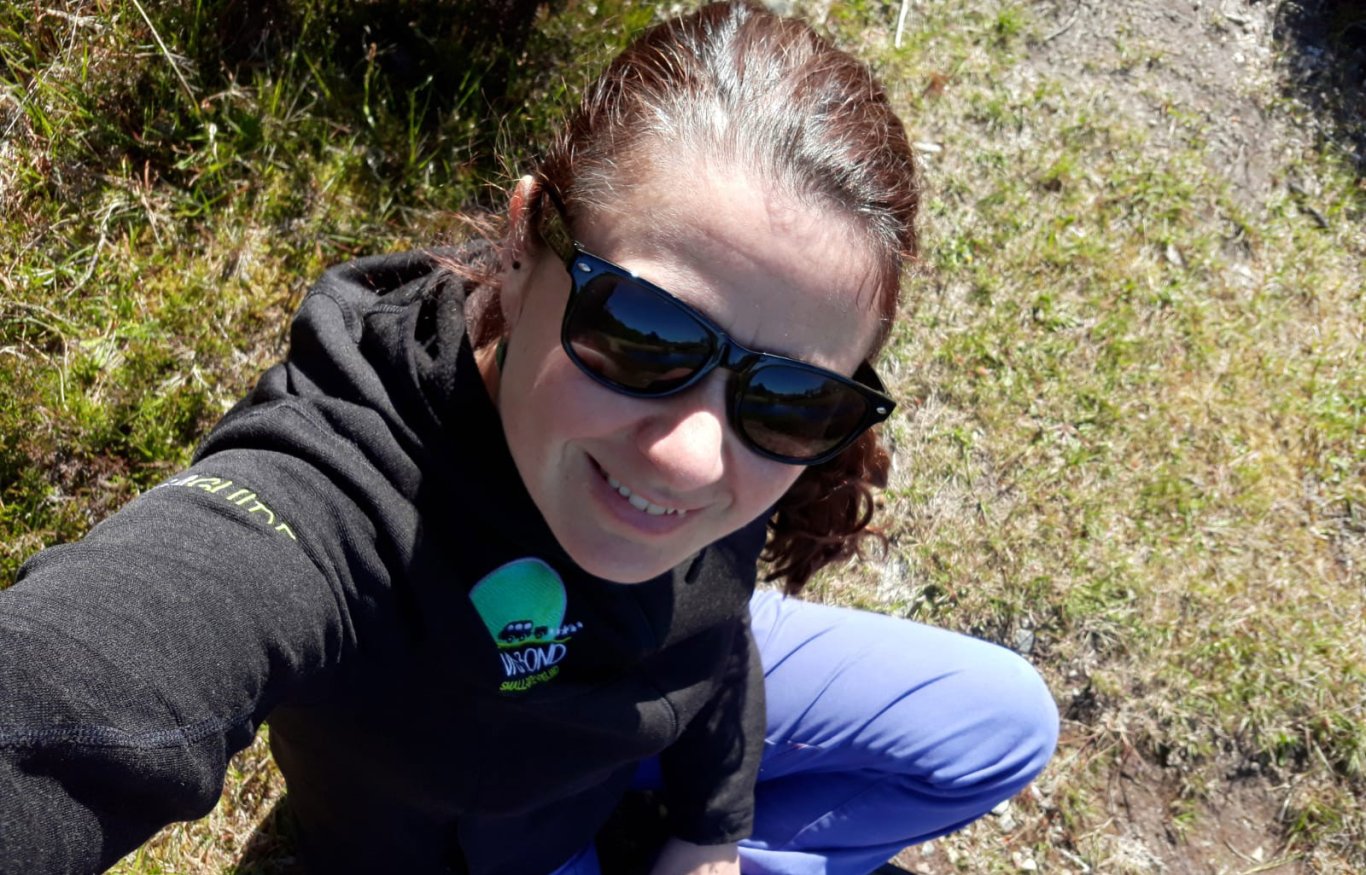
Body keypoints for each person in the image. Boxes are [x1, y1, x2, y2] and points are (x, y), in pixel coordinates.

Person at [0, 3, 1058, 874]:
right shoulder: (348, 492)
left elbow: (712, 618)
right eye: (646, 333)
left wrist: (709, 831)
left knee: (997, 722)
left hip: (633, 739)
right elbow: (83, 682)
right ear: (520, 241)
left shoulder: (707, 449)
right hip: (477, 852)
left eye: (792, 400)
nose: (696, 456)